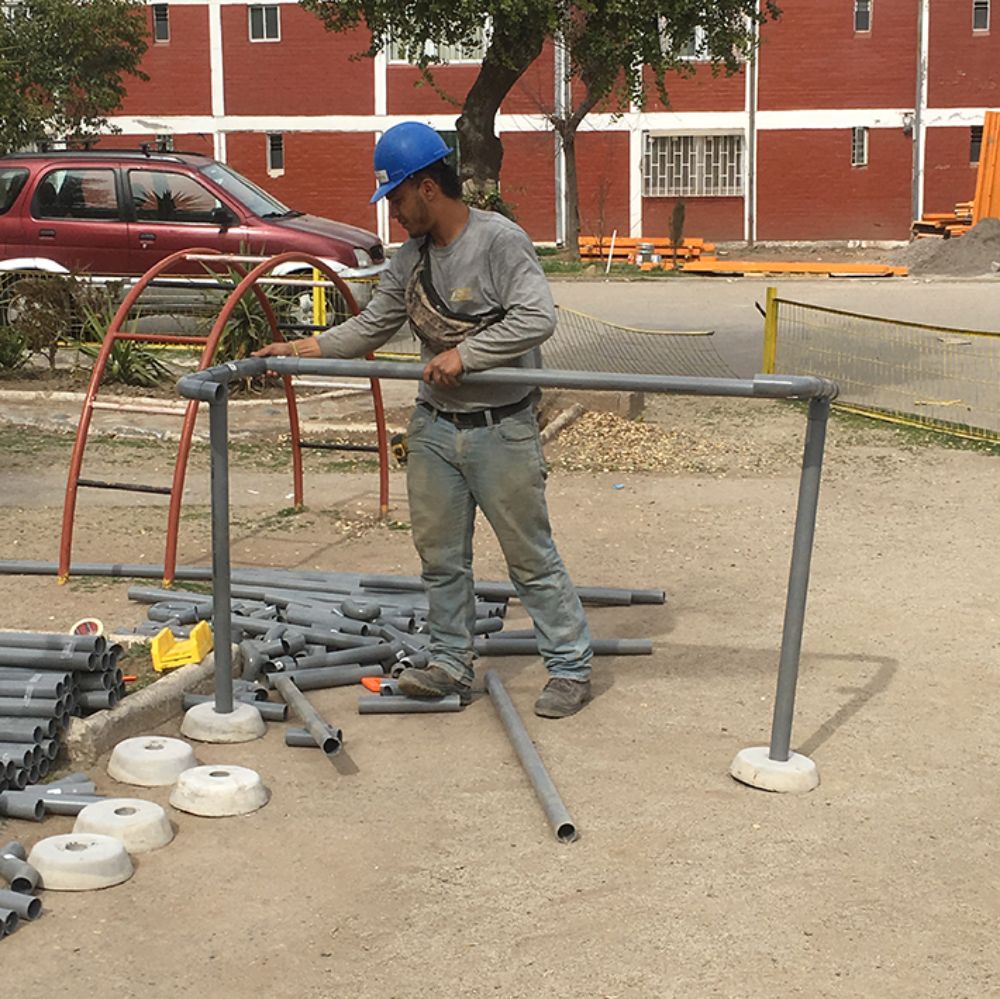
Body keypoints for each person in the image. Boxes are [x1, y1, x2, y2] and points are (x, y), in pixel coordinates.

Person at [254, 121, 593, 718]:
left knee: (530, 558)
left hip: (501, 427)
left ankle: (568, 668)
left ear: (427, 187)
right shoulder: (410, 259)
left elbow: (537, 318)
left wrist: (468, 355)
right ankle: (449, 664)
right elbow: (374, 324)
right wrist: (303, 350)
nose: (394, 214)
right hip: (436, 427)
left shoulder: (497, 242)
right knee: (440, 557)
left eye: (398, 199)